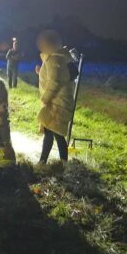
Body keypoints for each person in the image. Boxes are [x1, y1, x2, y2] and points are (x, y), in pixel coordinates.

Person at [35, 29, 75, 170]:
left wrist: (45, 98)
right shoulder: (57, 57)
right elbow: (54, 76)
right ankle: (46, 161)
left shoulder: (54, 59)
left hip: (56, 103)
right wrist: (41, 72)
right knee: (51, 132)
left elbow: (55, 82)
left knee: (56, 134)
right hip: (58, 102)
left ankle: (60, 163)